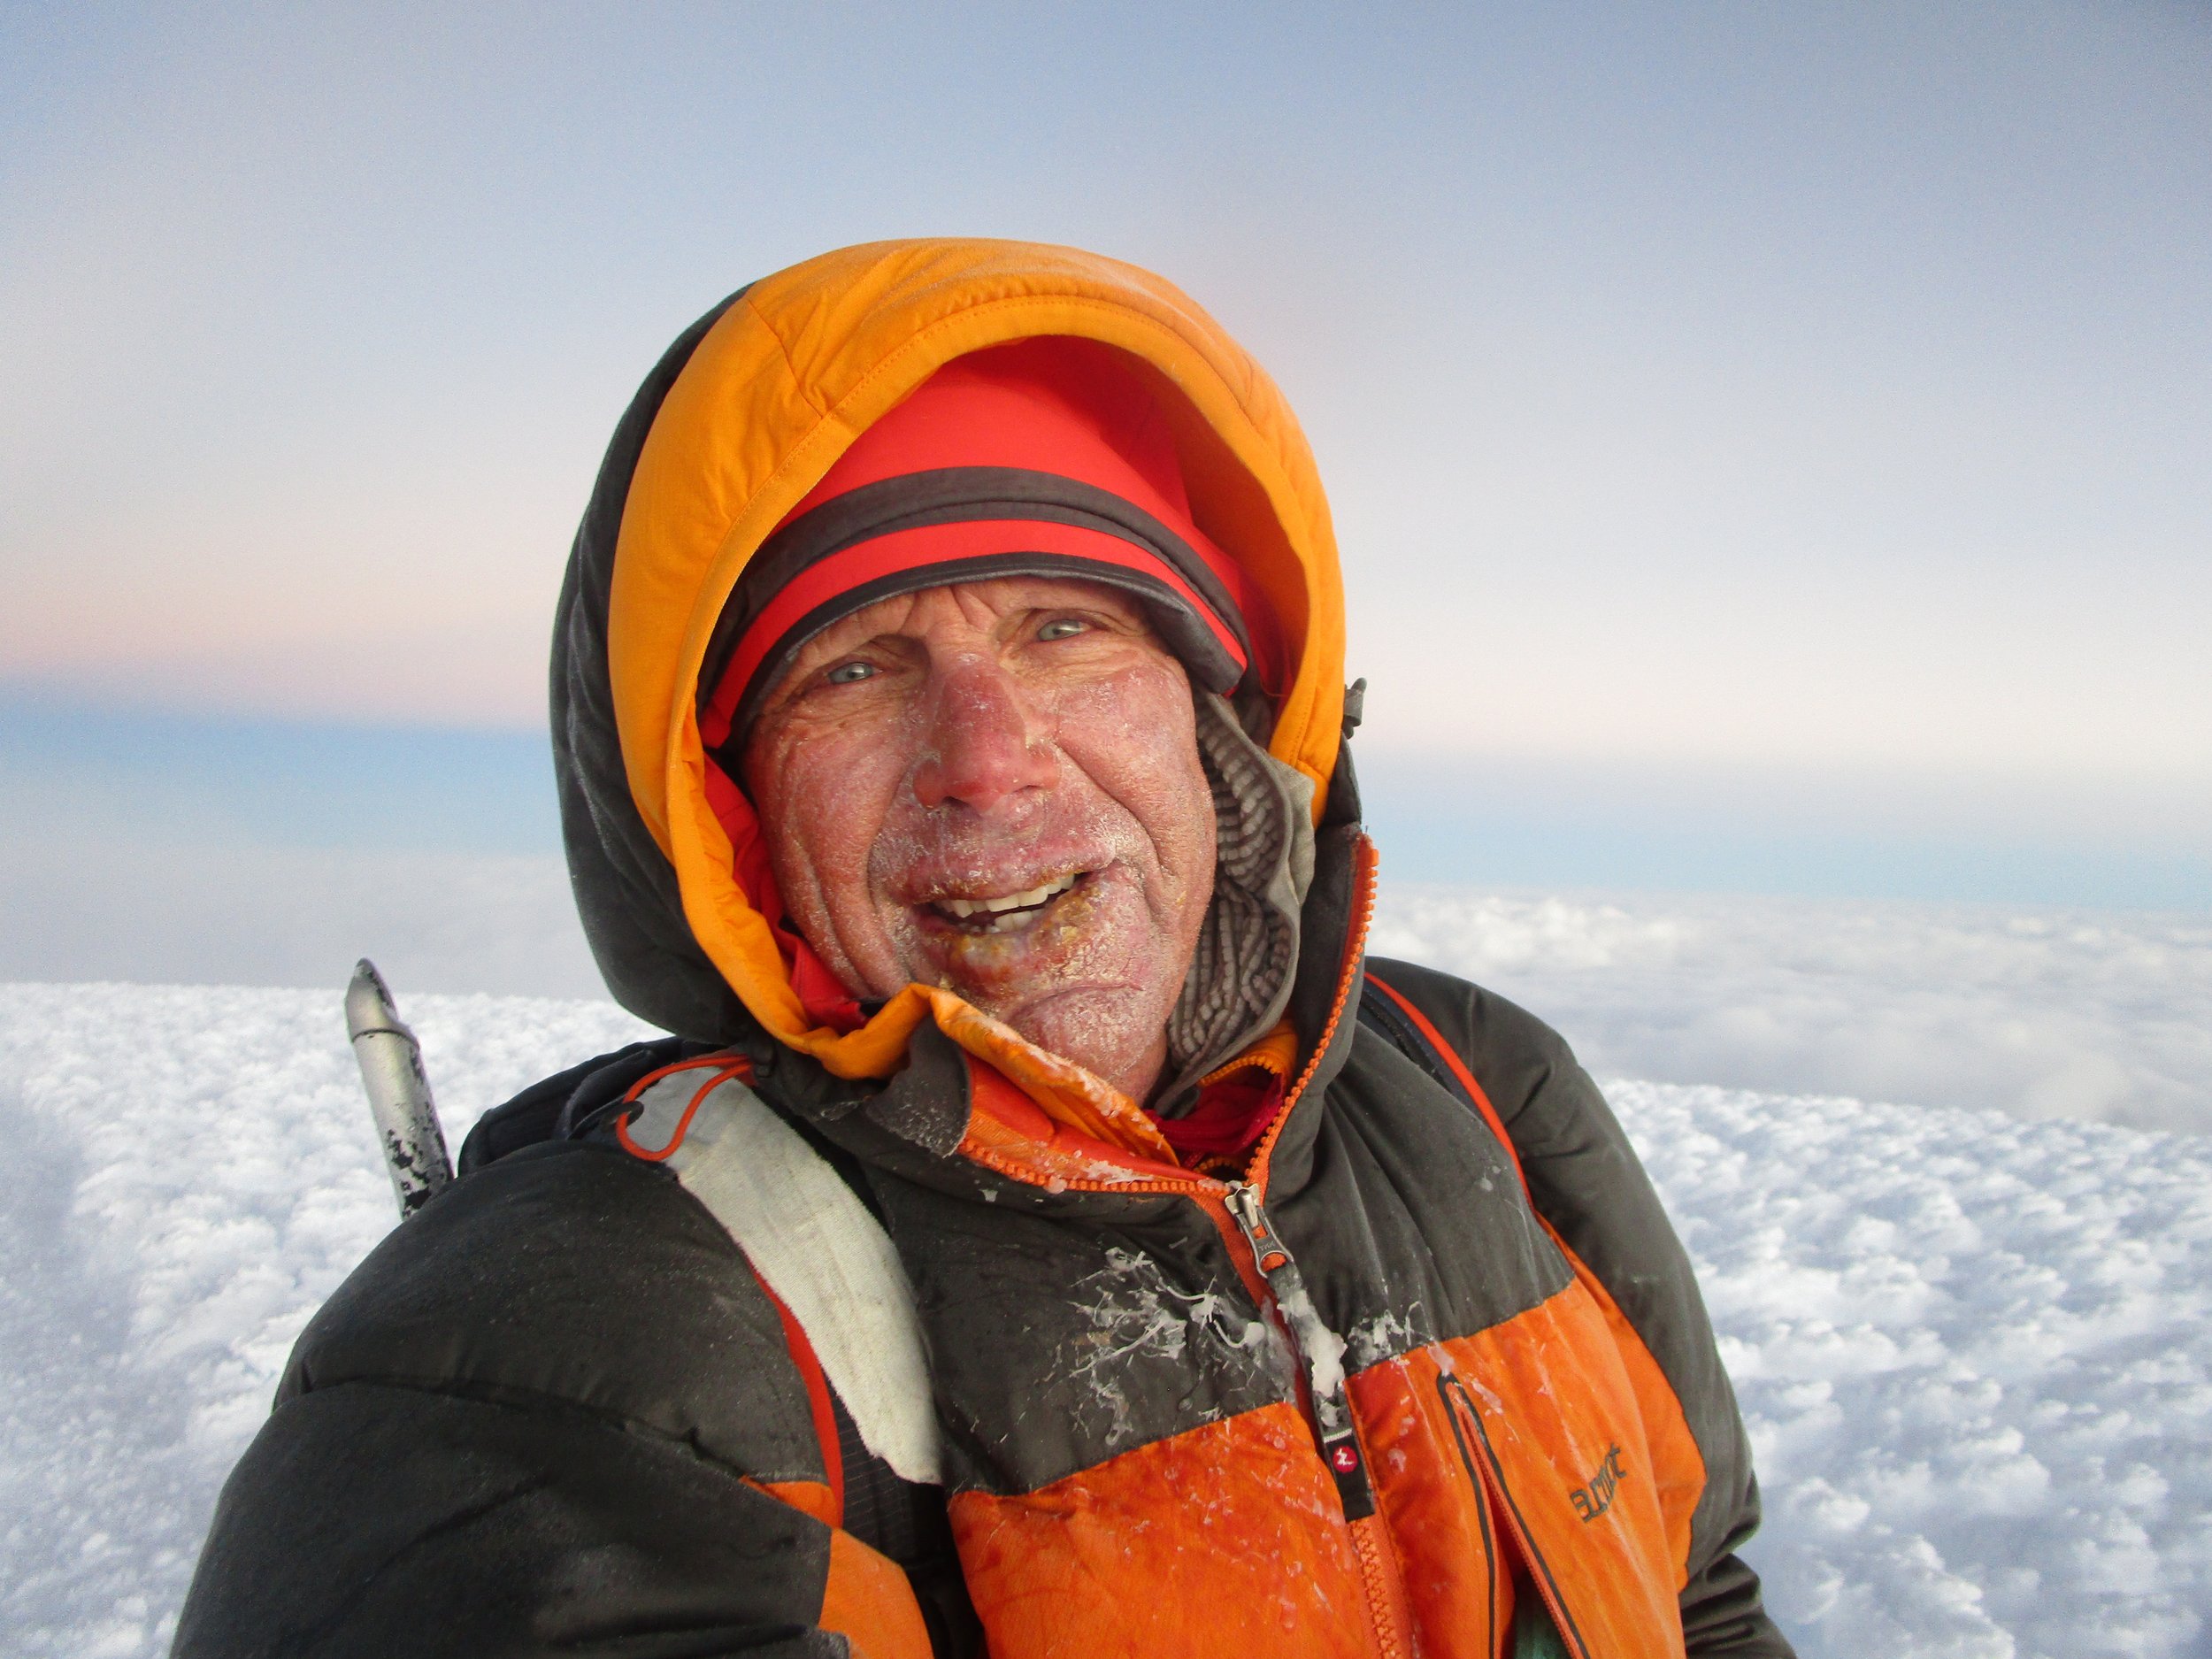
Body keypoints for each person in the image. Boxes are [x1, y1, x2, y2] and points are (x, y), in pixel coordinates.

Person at [176, 240, 1793, 1658]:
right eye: (857, 668)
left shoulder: (1478, 1093)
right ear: (727, 820)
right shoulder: (565, 1360)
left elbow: (1696, 1591)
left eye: (1065, 628)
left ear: (1221, 729)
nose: (989, 757)